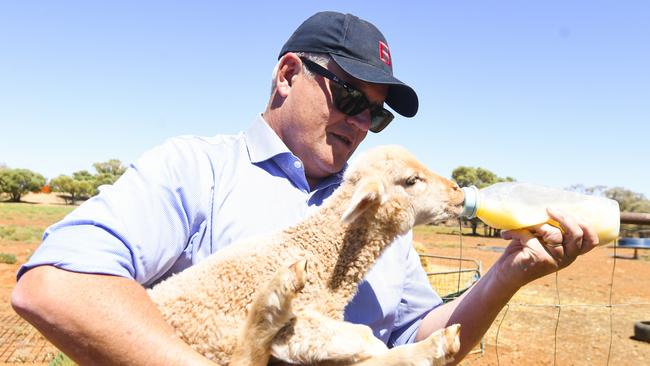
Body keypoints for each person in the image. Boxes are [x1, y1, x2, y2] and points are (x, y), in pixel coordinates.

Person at [12, 11, 598, 365]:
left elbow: (421, 339)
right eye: (348, 98)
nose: (360, 123)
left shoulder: (378, 209)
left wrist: (508, 272)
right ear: (288, 74)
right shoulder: (197, 171)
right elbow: (55, 285)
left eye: (377, 115)